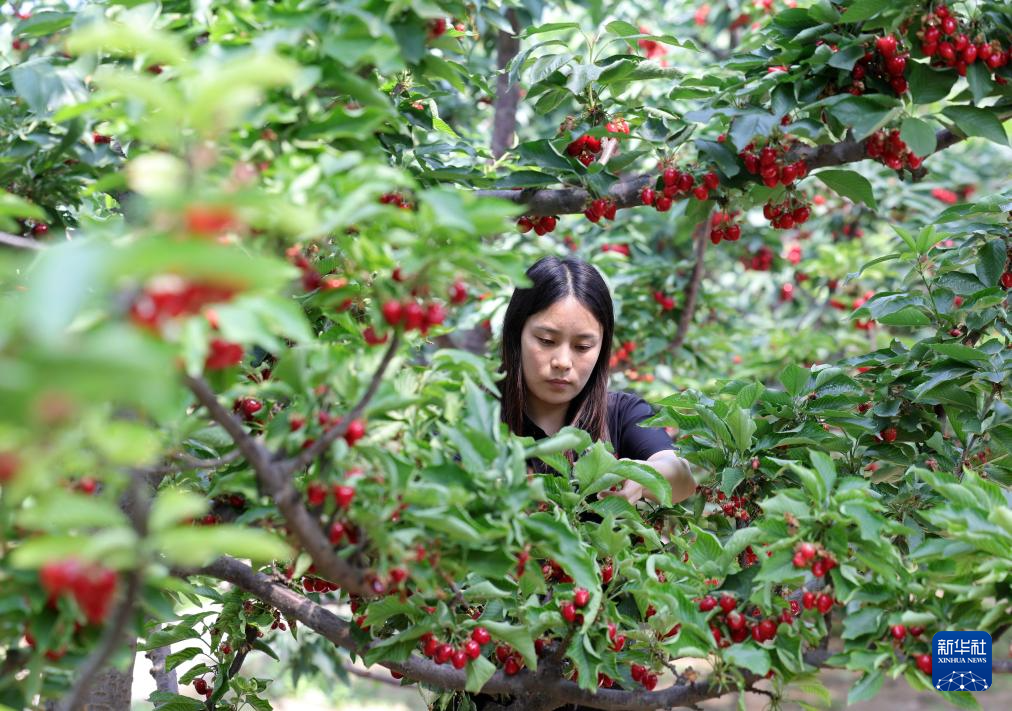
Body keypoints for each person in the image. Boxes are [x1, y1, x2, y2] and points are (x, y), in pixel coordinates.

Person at [497, 254, 695, 506]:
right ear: (516, 334)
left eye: (582, 346)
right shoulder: (478, 416)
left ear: (602, 347)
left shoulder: (621, 414)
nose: (563, 361)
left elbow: (682, 475)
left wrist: (642, 476)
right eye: (546, 341)